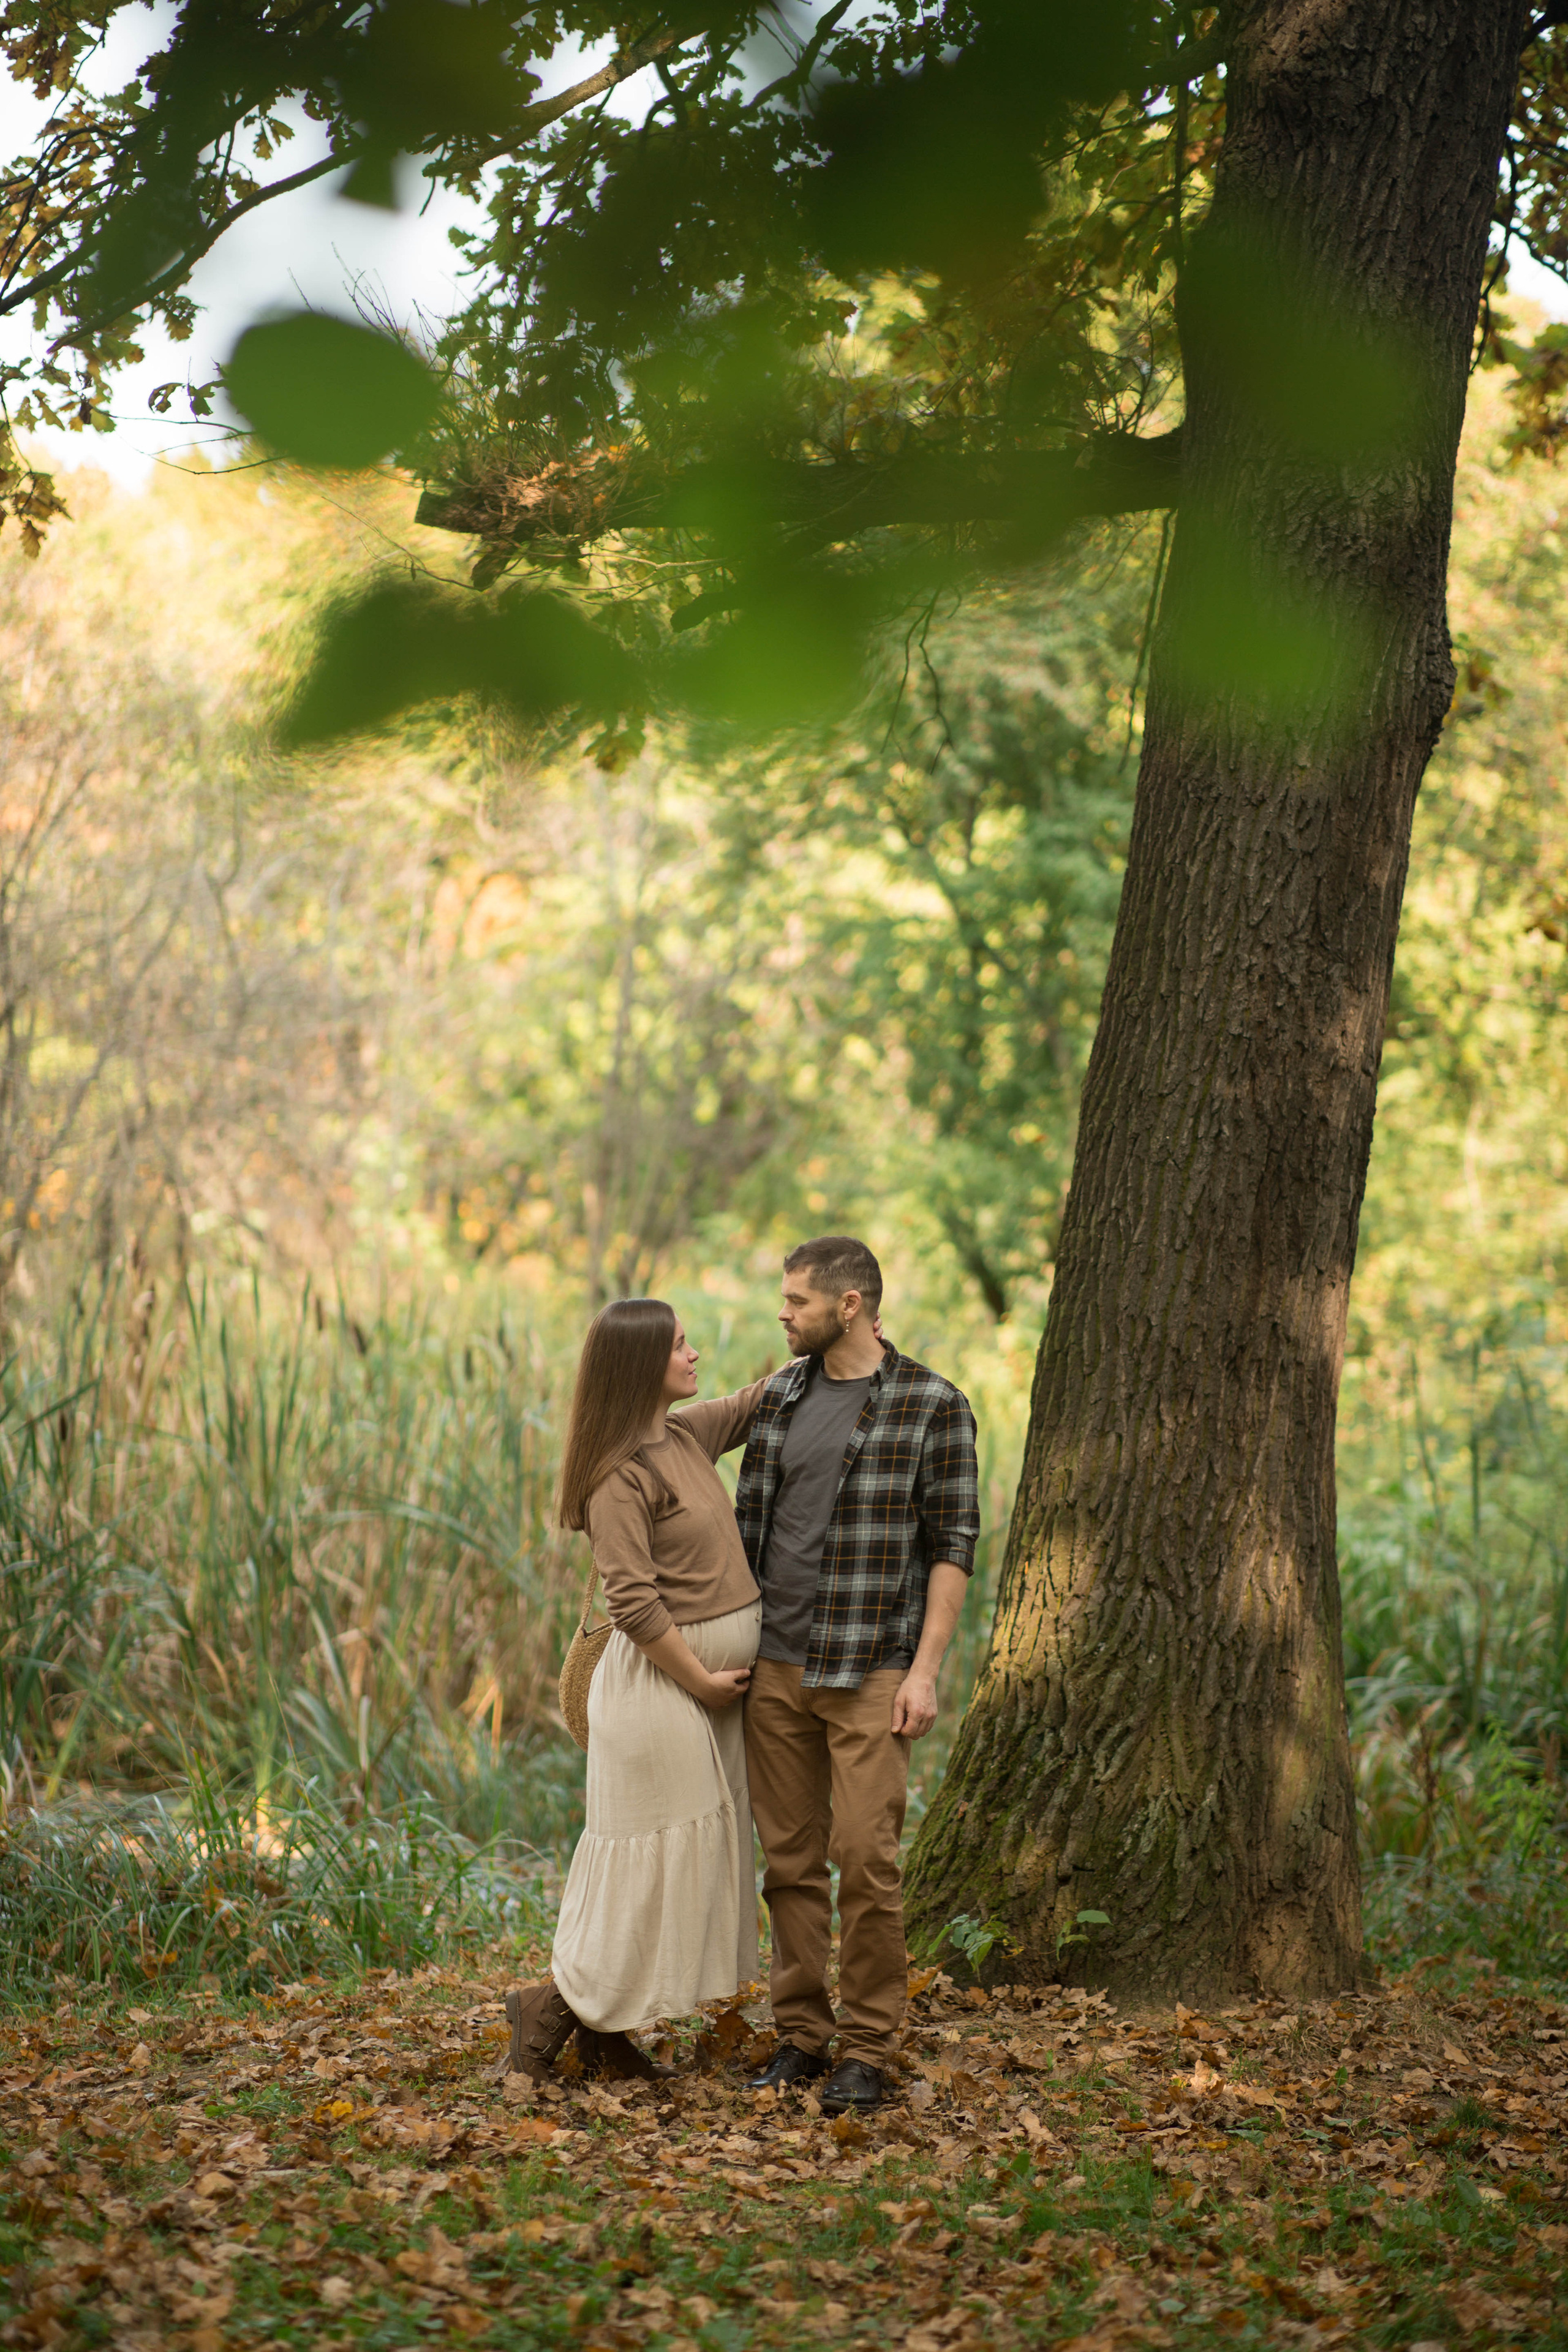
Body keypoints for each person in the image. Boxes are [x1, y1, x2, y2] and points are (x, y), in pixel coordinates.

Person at [737, 1236, 979, 2114]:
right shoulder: (779, 1397)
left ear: (850, 1306)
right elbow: (745, 1528)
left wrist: (926, 1672)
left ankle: (869, 2049)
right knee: (791, 1864)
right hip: (774, 1669)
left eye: (797, 1300)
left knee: (867, 1862)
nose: (783, 1313)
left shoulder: (932, 1405)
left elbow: (953, 1548)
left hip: (871, 1668)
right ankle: (800, 2036)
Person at [501, 1298, 769, 2086]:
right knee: (651, 1863)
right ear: (640, 1365)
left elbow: (760, 1397)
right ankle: (546, 2011)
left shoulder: (687, 1434)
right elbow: (633, 1603)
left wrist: (844, 1340)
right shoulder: (617, 1476)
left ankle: (602, 2029)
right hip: (661, 1687)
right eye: (680, 1344)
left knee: (671, 1862)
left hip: (701, 1689)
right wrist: (701, 1683)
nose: (694, 1354)